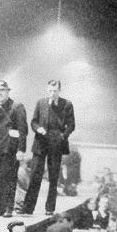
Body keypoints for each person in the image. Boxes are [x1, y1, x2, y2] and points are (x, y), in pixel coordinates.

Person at [21, 80, 75, 215]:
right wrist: (38, 128)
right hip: (40, 143)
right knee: (35, 175)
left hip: (56, 144)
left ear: (59, 90)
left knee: (53, 177)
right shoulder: (41, 103)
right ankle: (28, 208)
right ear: (47, 90)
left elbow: (71, 124)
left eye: (55, 91)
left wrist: (63, 136)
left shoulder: (66, 104)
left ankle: (50, 208)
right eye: (50, 91)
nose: (52, 93)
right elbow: (33, 121)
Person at [0, 80, 27, 217]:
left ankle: (9, 208)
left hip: (11, 149)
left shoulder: (16, 107)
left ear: (8, 92)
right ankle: (1, 206)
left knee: (9, 178)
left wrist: (21, 149)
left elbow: (23, 130)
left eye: (3, 91)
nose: (0, 93)